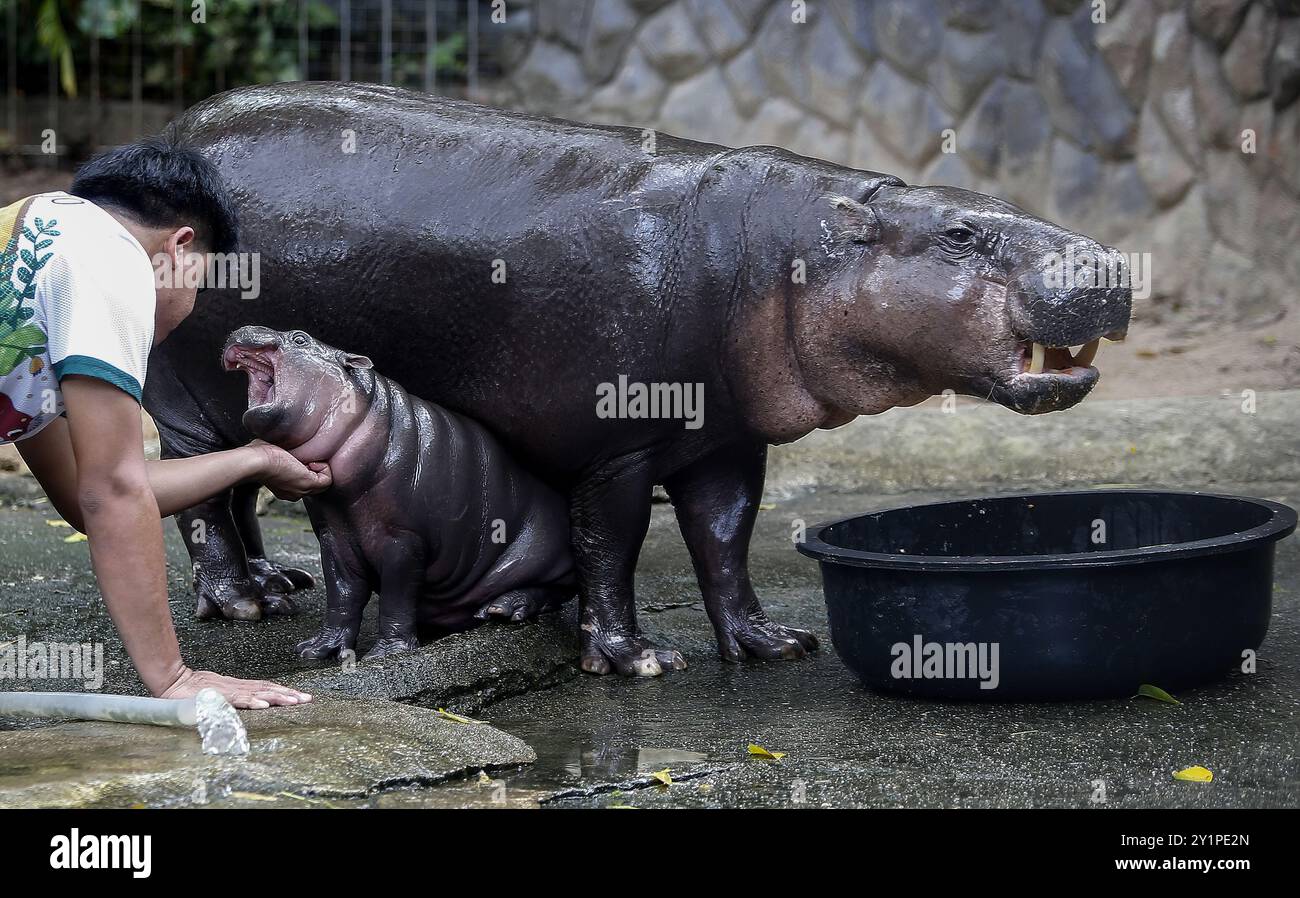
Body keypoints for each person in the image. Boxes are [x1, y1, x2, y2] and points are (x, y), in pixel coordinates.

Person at [0, 137, 328, 709]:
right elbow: (112, 492)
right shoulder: (111, 257)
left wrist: (256, 457)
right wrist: (174, 679)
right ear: (179, 247)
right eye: (200, 279)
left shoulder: (43, 239)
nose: (193, 300)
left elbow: (88, 494)